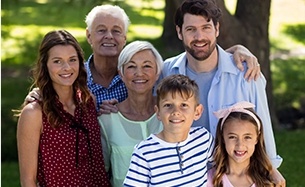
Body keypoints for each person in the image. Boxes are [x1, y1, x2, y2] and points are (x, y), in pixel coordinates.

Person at [25, 4, 261, 113]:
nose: (109, 36)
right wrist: (38, 94)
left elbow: (200, 53)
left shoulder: (142, 77)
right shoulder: (75, 77)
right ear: (88, 36)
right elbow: (54, 82)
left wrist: (236, 49)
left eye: (116, 30)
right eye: (101, 30)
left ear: (125, 37)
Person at [159, 0, 284, 178]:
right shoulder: (167, 71)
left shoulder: (246, 74)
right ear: (179, 32)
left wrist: (271, 169)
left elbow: (263, 125)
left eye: (206, 28)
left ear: (217, 29)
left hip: (235, 176)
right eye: (190, 29)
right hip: (186, 175)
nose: (199, 36)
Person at [15, 30, 110, 186]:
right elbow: (28, 180)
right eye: (57, 61)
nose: (67, 67)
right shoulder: (34, 113)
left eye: (72, 60)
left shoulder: (88, 102)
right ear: (45, 65)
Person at [124, 74, 214, 186]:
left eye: (184, 105)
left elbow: (224, 166)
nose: (176, 111)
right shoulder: (144, 152)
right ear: (158, 112)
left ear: (197, 112)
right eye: (168, 105)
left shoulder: (204, 138)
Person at [99, 40, 164, 187]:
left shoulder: (170, 115)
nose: (139, 73)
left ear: (157, 72)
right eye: (131, 66)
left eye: (147, 66)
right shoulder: (107, 120)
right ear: (121, 74)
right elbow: (101, 175)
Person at [207, 101, 275, 187]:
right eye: (232, 137)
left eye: (247, 137)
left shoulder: (268, 180)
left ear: (257, 138)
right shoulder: (210, 180)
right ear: (223, 137)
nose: (240, 145)